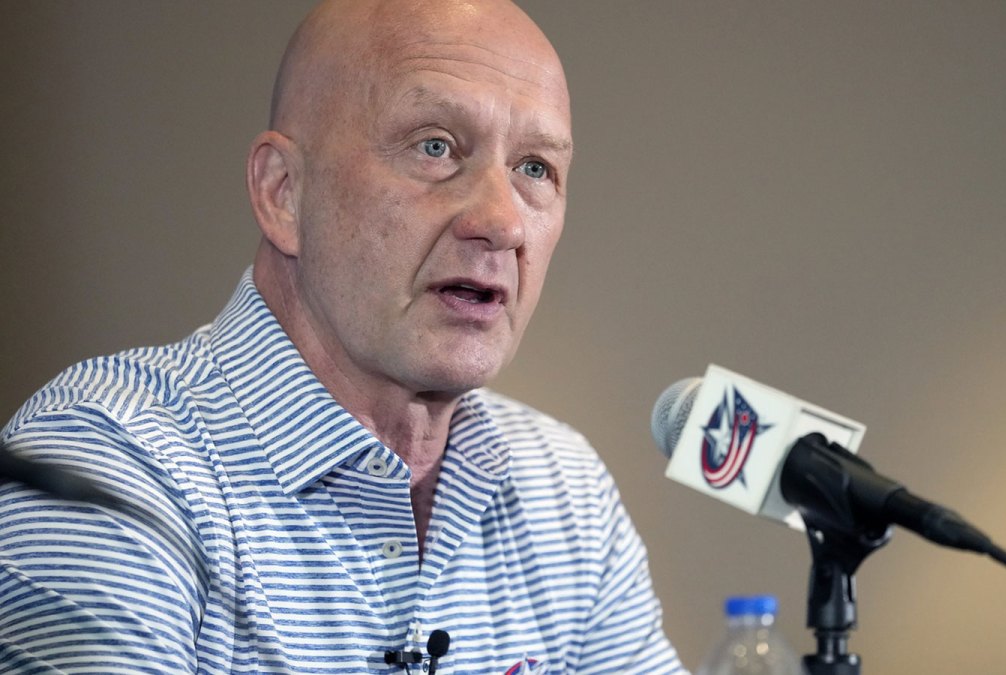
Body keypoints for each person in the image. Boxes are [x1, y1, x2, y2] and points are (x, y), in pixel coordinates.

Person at [0, 0, 686, 673]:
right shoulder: (107, 459)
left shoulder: (563, 490)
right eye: (435, 146)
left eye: (535, 167)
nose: (502, 222)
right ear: (283, 193)